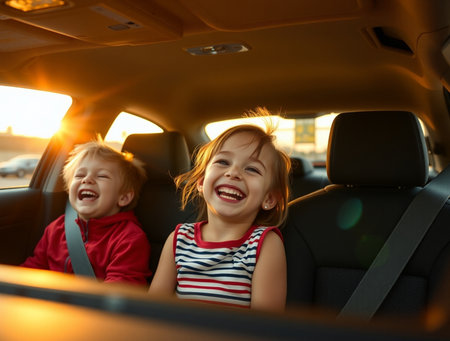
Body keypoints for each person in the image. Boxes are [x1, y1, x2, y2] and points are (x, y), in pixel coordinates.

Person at [149, 109, 291, 311]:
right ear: (201, 181)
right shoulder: (179, 239)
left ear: (269, 199)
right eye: (223, 162)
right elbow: (153, 310)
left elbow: (265, 326)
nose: (233, 173)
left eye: (252, 169)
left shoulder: (263, 244)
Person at [22, 139, 151, 286]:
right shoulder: (56, 229)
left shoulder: (129, 238)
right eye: (79, 175)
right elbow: (32, 271)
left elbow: (118, 291)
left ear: (124, 197)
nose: (87, 179)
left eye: (102, 176)